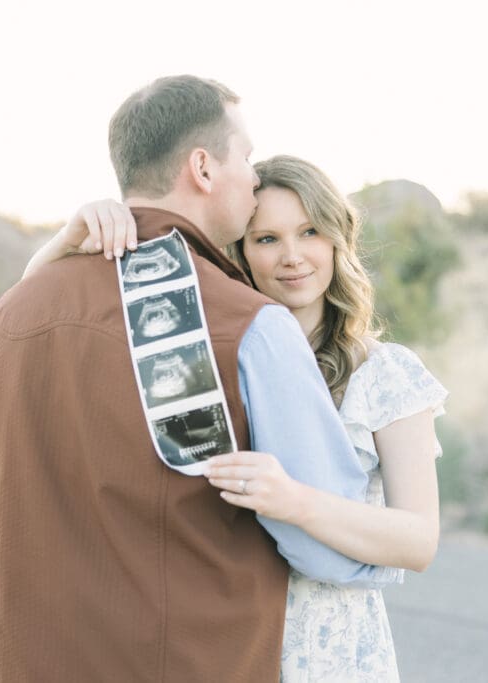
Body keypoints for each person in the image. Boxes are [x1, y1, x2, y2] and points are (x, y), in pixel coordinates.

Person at [0, 76, 397, 682]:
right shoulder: (253, 326)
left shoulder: (6, 322)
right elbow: (329, 549)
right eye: (245, 157)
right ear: (203, 168)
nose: (254, 178)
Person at [26, 155, 448, 681]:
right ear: (241, 253)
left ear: (337, 240)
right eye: (267, 239)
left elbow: (417, 541)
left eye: (310, 232)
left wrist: (293, 500)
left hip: (330, 652)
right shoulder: (196, 358)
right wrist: (63, 244)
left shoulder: (385, 373)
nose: (292, 257)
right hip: (216, 644)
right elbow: (39, 331)